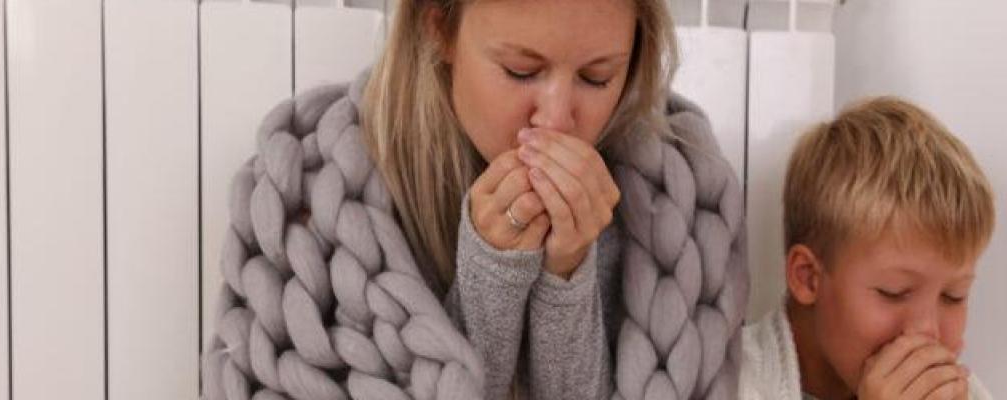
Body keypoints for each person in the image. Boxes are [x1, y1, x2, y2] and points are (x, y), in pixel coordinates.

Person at [201, 0, 746, 398]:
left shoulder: (679, 206)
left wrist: (567, 276)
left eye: (597, 77)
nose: (556, 118)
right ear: (440, 26)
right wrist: (492, 275)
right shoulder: (311, 206)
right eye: (521, 71)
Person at [740, 97, 997, 400]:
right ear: (808, 277)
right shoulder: (731, 381)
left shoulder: (962, 393)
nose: (928, 330)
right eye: (894, 292)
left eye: (953, 297)